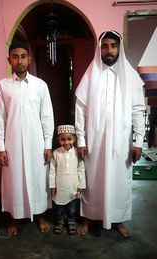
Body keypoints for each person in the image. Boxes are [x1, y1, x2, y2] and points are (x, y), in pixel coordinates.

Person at [75, 30, 145, 237]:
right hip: (94, 141)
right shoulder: (90, 75)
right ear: (100, 48)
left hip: (120, 141)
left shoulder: (131, 76)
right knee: (92, 179)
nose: (109, 50)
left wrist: (138, 142)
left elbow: (138, 110)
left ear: (119, 48)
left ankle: (118, 219)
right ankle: (88, 217)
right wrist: (81, 139)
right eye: (105, 46)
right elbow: (80, 109)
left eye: (113, 45)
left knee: (119, 182)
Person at [0, 40, 54, 235]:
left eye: (23, 56)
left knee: (38, 178)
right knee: (13, 180)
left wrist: (47, 144)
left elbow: (47, 116)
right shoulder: (2, 86)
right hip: (12, 144)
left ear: (30, 59)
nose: (20, 61)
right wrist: (1, 147)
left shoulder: (40, 85)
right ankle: (14, 217)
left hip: (36, 143)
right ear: (9, 59)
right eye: (15, 57)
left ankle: (40, 214)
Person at [49, 125, 86, 235]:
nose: (66, 142)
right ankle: (60, 221)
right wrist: (52, 185)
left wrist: (80, 185)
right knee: (60, 206)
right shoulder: (55, 153)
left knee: (72, 207)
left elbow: (81, 170)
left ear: (74, 139)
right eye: (63, 139)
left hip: (73, 185)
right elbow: (52, 171)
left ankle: (71, 222)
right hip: (60, 186)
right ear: (58, 140)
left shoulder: (77, 153)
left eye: (69, 139)